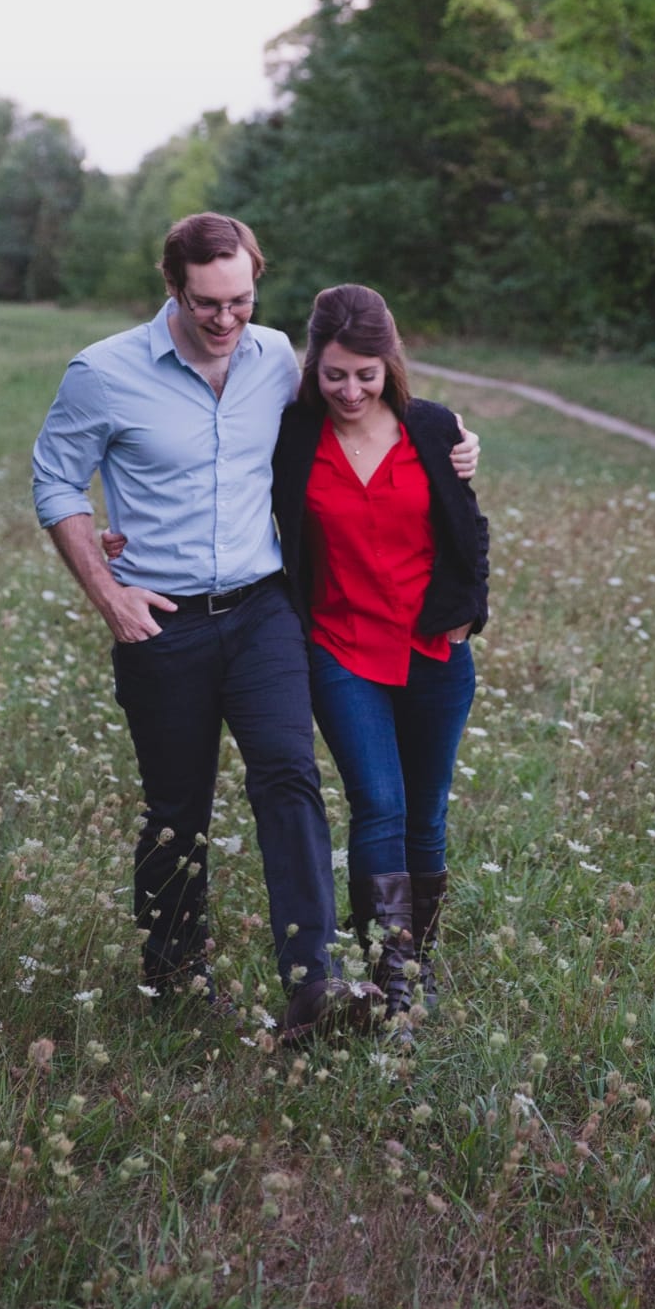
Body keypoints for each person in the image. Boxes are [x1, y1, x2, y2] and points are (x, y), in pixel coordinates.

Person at [30, 214, 477, 1044]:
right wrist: (106, 588)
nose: (226, 319)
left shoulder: (277, 357)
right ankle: (172, 970)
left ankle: (315, 985)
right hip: (159, 618)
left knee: (289, 776)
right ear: (173, 287)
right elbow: (55, 481)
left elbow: (367, 410)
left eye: (241, 299)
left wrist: (450, 439)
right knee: (178, 806)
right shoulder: (103, 373)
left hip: (264, 607)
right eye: (208, 302)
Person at [271, 284, 489, 1032]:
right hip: (341, 647)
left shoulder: (434, 429)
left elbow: (470, 530)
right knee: (379, 803)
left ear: (389, 362)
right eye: (336, 374)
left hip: (432, 649)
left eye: (366, 373)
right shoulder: (294, 435)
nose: (351, 389)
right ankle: (390, 979)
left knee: (426, 816)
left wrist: (468, 616)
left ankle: (418, 962)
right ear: (314, 365)